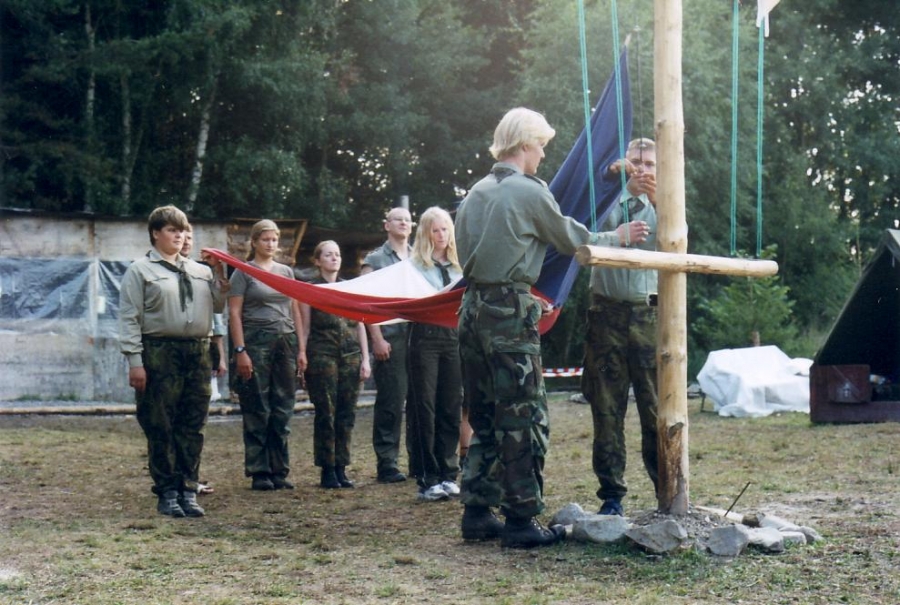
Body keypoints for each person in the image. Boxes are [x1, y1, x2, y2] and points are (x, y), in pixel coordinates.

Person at [454, 107, 649, 548]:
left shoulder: (476, 192)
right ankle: (521, 520)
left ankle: (478, 512)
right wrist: (616, 237)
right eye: (541, 145)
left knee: (483, 414)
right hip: (508, 312)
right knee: (523, 416)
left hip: (471, 310)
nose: (543, 154)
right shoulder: (527, 190)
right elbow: (569, 237)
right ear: (525, 144)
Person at [119, 205, 228, 518]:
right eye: (172, 230)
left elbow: (218, 307)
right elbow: (129, 318)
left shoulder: (200, 271)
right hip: (159, 352)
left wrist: (219, 276)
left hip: (197, 351)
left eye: (182, 230)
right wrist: (135, 361)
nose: (179, 236)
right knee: (160, 423)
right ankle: (167, 491)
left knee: (192, 423)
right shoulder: (140, 270)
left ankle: (188, 489)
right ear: (156, 233)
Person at [582, 137, 659, 517]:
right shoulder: (605, 199)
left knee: (657, 409)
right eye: (635, 162)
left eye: (650, 164)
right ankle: (611, 496)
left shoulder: (665, 207)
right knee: (607, 409)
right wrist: (619, 186)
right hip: (606, 316)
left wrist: (657, 199)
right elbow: (586, 232)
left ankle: (667, 490)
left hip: (649, 317)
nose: (643, 170)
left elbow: (680, 241)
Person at [228, 219, 305, 491]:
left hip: (285, 341)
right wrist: (241, 350)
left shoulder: (286, 272)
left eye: (274, 240)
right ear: (254, 242)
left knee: (283, 405)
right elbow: (234, 313)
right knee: (257, 406)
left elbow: (295, 310)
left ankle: (279, 469)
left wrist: (301, 348)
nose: (271, 244)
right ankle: (260, 471)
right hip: (256, 341)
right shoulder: (243, 272)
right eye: (265, 239)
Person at [299, 240, 371, 489]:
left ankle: (342, 466)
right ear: (317, 261)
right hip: (323, 354)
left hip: (350, 355)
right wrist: (302, 353)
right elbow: (305, 327)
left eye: (337, 254)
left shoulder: (349, 287)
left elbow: (360, 324)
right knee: (326, 412)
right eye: (328, 255)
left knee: (347, 412)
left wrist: (365, 358)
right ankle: (327, 468)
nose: (334, 258)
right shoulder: (310, 289)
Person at [405, 207, 464, 502]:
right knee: (424, 409)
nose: (441, 235)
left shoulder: (459, 266)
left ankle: (448, 473)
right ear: (426, 234)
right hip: (424, 338)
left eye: (445, 230)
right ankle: (427, 477)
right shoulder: (414, 267)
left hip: (453, 339)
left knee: (450, 407)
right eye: (435, 230)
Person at [361, 207, 413, 484]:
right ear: (386, 225)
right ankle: (387, 462)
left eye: (408, 220)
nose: (403, 223)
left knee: (421, 402)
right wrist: (377, 338)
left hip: (419, 336)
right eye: (398, 219)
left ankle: (419, 460)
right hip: (390, 337)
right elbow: (365, 301)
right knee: (391, 402)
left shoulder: (420, 256)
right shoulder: (375, 259)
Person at [181, 227, 228, 403]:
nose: (185, 242)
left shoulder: (202, 272)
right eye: (182, 237)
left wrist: (220, 357)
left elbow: (215, 317)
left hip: (200, 348)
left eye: (189, 238)